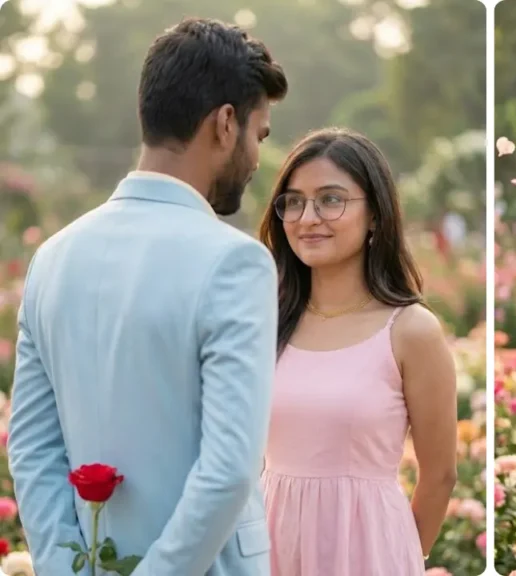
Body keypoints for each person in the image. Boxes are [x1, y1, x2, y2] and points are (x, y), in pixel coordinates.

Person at [7, 17, 288, 576]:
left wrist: (69, 569)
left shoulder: (54, 258)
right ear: (225, 124)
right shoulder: (236, 261)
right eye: (260, 134)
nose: (257, 158)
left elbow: (32, 451)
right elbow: (230, 469)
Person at [256, 128, 458, 576]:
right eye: (294, 201)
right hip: (269, 546)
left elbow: (440, 473)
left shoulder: (410, 331)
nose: (308, 217)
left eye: (331, 200)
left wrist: (395, 555)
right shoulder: (264, 322)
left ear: (375, 216)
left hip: (369, 554)